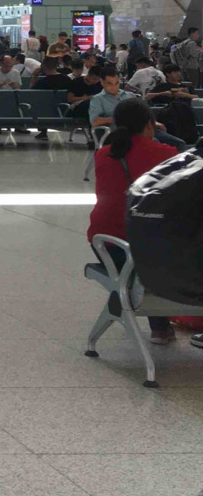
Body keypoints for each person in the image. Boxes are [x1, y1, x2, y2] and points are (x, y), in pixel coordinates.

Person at [87, 96, 178, 344]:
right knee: (155, 251)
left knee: (135, 270)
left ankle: (156, 323)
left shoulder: (103, 154)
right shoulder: (166, 154)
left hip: (107, 243)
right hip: (153, 245)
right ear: (149, 124)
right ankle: (160, 327)